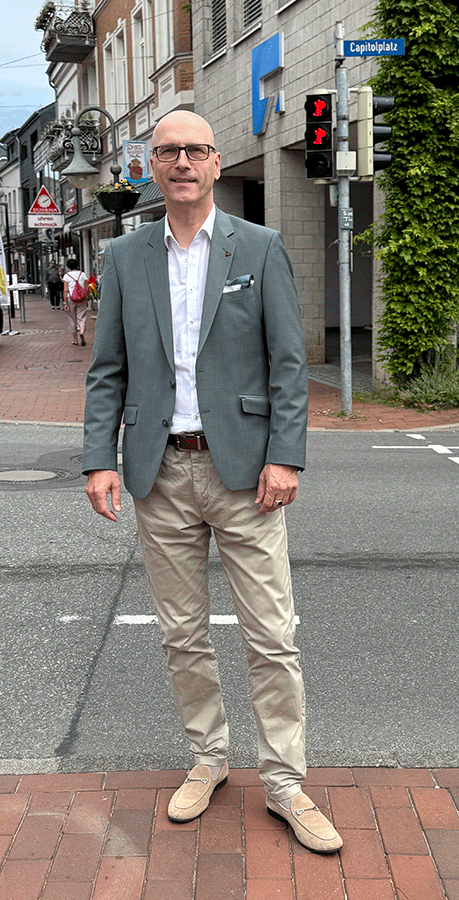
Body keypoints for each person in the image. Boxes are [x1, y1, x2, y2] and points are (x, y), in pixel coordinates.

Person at [82, 110, 342, 854]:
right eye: (168, 151)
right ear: (152, 166)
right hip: (159, 471)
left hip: (247, 475)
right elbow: (107, 370)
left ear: (217, 162)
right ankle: (208, 758)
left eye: (195, 150)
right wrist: (99, 458)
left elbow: (288, 363)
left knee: (271, 635)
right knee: (182, 634)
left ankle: (285, 782)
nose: (182, 162)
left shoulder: (258, 247)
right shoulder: (124, 256)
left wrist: (285, 456)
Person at [62, 258, 88, 346]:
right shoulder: (82, 274)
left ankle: (75, 339)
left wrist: (65, 302)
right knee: (82, 315)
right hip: (82, 298)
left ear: (68, 266)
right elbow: (86, 287)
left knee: (72, 318)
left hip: (71, 298)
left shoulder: (66, 276)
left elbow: (66, 290)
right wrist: (87, 297)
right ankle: (81, 331)